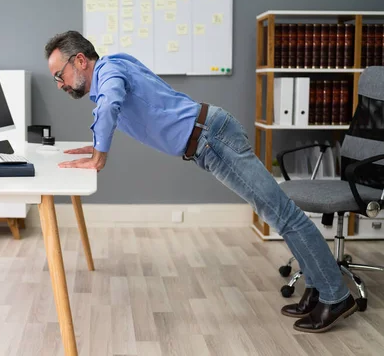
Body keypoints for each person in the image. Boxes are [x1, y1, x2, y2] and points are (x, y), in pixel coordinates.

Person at [44, 30, 357, 333]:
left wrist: (100, 156)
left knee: (283, 214)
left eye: (59, 75)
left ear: (81, 60)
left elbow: (110, 103)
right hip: (208, 140)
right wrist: (94, 144)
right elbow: (116, 107)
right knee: (278, 215)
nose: (59, 84)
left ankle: (336, 296)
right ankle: (317, 289)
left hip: (212, 138)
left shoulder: (109, 72)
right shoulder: (114, 67)